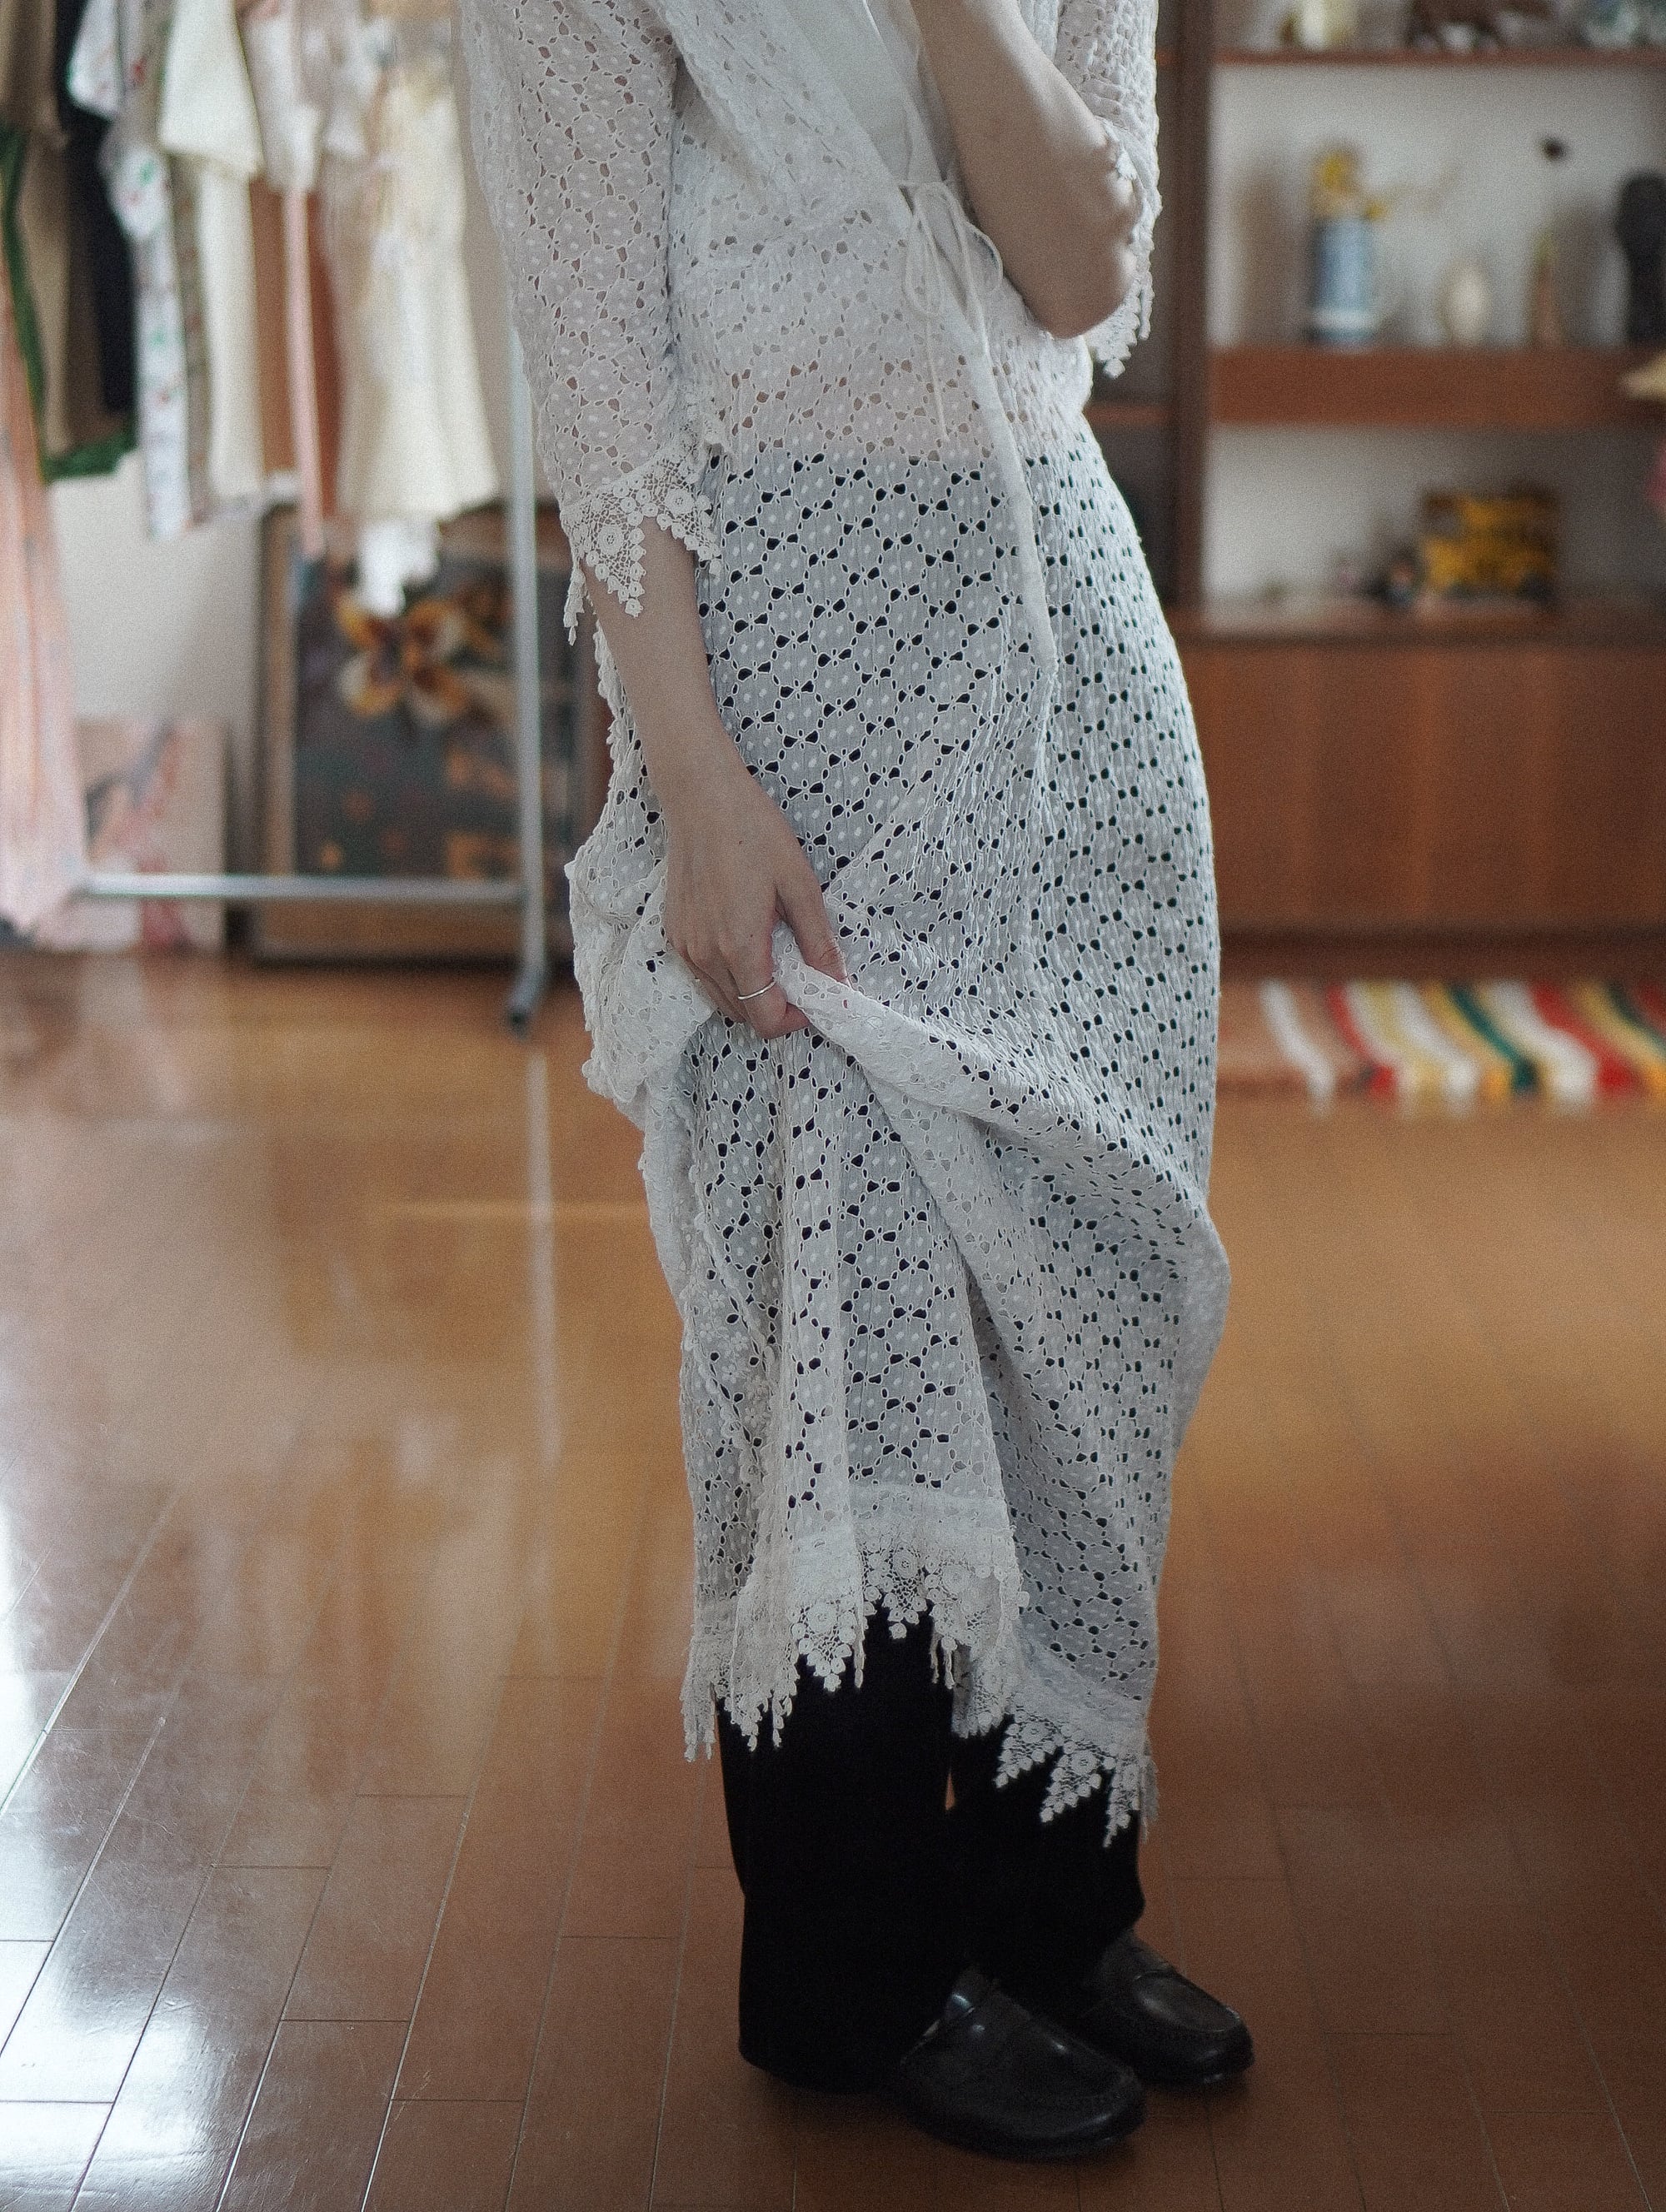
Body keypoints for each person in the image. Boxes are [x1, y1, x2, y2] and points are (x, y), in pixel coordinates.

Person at [463, 0, 1249, 2162]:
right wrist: (696, 784)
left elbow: (1083, 273)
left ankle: (1051, 1904)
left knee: (1080, 1275)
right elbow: (603, 391)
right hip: (783, 647)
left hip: (1059, 626)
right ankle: (854, 1970)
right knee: (850, 1281)